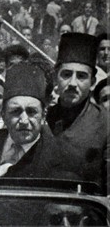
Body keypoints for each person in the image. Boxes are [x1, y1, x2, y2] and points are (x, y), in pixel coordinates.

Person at [0, 63, 81, 183]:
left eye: (31, 112)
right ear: (3, 115)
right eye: (16, 112)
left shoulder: (60, 158)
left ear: (43, 116)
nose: (24, 121)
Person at [46, 33, 109, 193]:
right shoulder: (43, 118)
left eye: (81, 76)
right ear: (55, 78)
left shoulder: (106, 123)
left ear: (93, 83)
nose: (73, 83)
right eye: (66, 75)